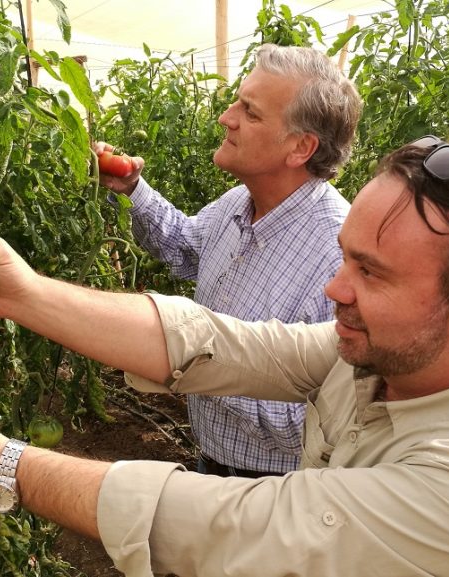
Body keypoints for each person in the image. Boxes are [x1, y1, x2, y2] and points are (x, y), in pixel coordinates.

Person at [0, 135, 449, 577]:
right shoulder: (388, 358)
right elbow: (218, 342)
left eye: (372, 273)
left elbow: (237, 525)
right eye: (346, 258)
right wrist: (22, 292)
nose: (335, 287)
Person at [96, 43, 362, 478]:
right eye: (237, 101)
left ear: (300, 147)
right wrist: (132, 190)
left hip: (275, 490)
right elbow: (185, 247)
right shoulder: (241, 202)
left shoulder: (337, 252)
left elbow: (309, 422)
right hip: (214, 462)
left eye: (250, 112)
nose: (226, 117)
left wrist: (181, 363)